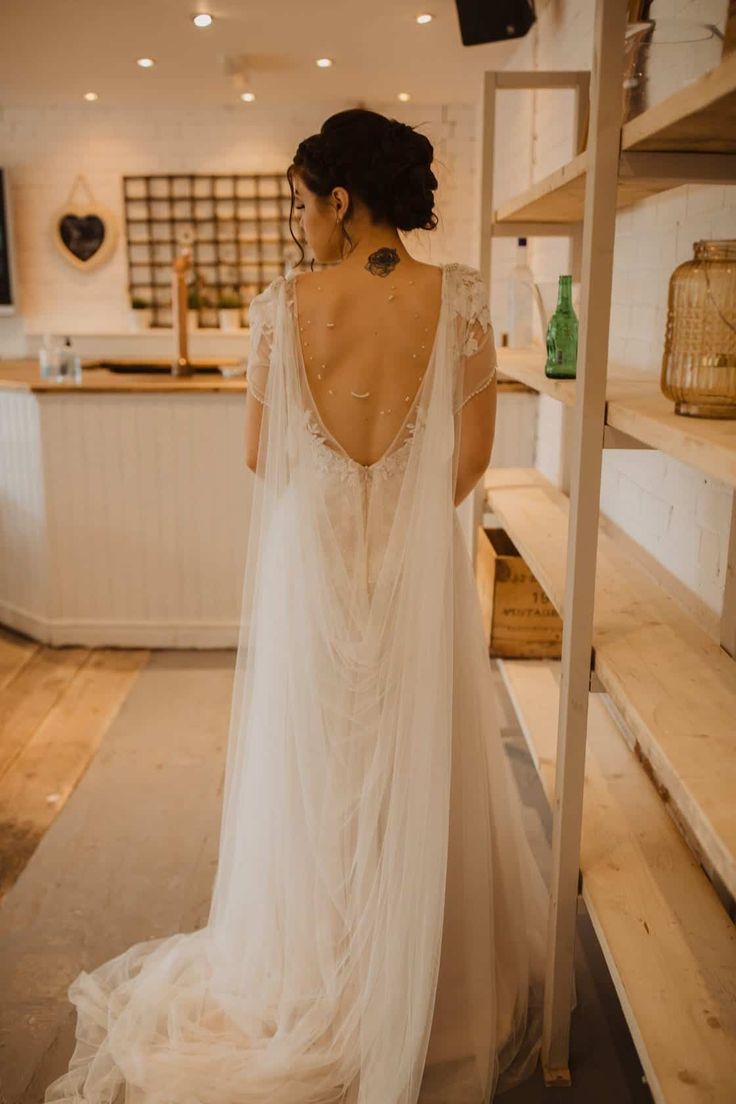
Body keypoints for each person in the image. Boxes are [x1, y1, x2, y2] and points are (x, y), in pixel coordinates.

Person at [45, 108, 575, 1104]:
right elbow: (469, 458)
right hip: (409, 572)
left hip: (316, 569)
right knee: (413, 757)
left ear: (341, 201)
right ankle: (424, 984)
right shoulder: (457, 296)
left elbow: (261, 453)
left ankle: (317, 976)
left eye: (301, 204)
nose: (299, 226)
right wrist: (403, 512)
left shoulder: (281, 305)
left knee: (320, 773)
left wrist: (340, 491)